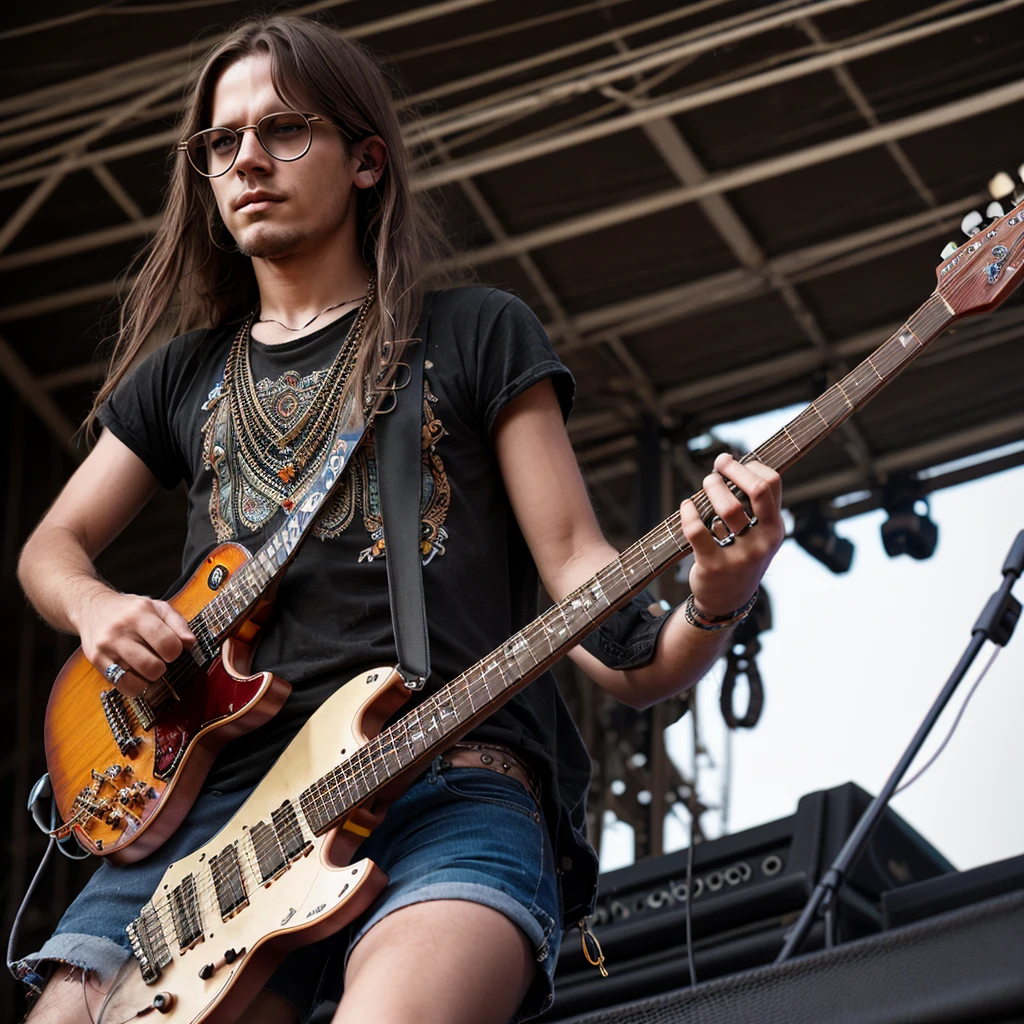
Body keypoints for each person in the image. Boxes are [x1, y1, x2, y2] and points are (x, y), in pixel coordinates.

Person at [14, 15, 784, 1024]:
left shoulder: (476, 332)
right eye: (220, 141)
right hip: (209, 824)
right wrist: (97, 609)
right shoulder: (184, 375)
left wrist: (714, 598)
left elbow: (603, 616)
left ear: (366, 160)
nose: (247, 157)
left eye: (285, 130)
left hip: (443, 787)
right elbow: (49, 548)